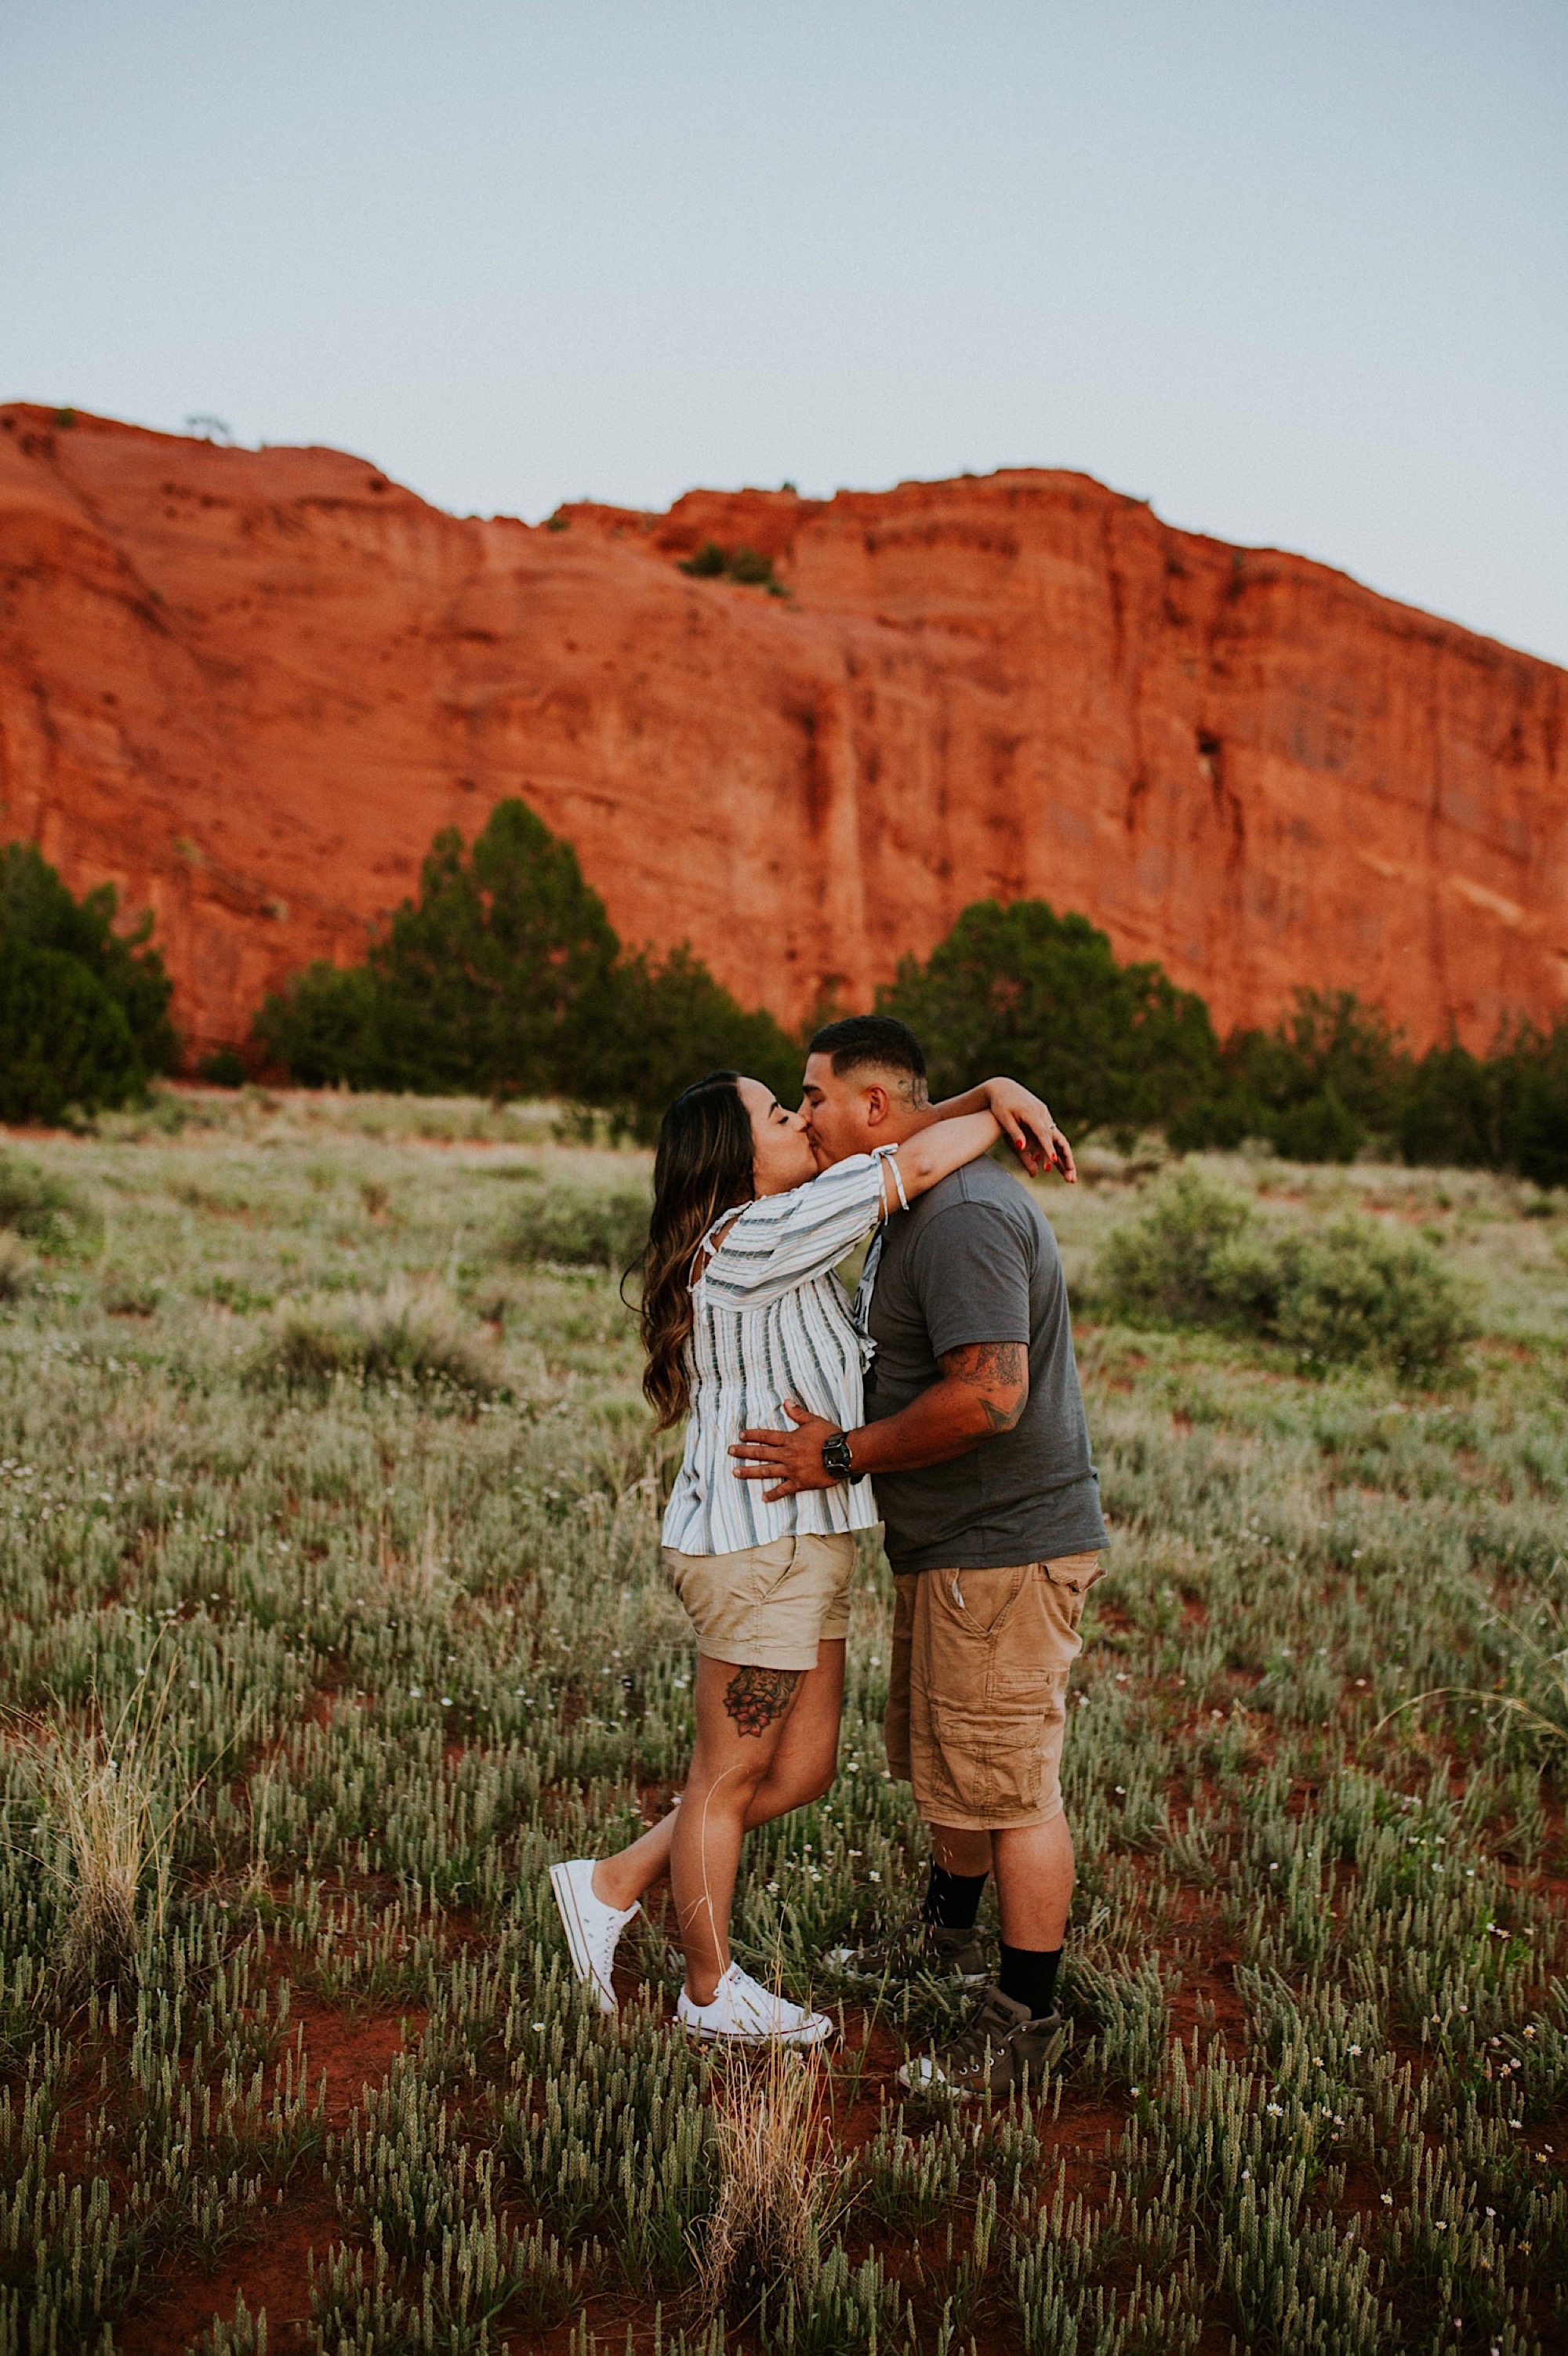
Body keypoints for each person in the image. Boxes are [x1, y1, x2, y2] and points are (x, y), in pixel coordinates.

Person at [550, 1062, 1063, 2047]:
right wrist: (1001, 1102)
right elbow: (904, 1158)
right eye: (780, 1116)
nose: (800, 1120)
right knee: (726, 1776)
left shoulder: (772, 1223)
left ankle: (607, 1883)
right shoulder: (755, 1235)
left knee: (798, 1772)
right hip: (757, 1550)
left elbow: (890, 1139)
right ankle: (708, 1994)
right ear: (737, 1162)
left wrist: (983, 1094)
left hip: (802, 1544)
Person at [731, 1014, 1105, 2095]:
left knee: (1012, 1785)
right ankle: (942, 1937)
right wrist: (994, 1083)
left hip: (1003, 1551)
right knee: (953, 1767)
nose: (802, 1116)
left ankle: (1025, 2017)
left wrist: (842, 1453)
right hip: (952, 1547)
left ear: (875, 1107)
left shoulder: (963, 1220)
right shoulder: (911, 1194)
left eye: (815, 1096)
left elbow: (990, 1396)